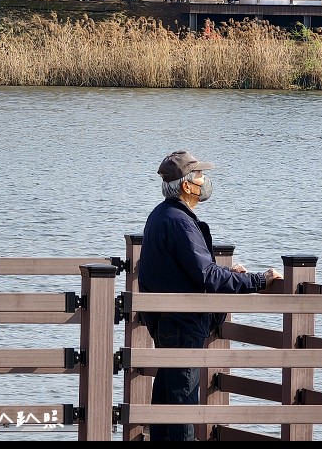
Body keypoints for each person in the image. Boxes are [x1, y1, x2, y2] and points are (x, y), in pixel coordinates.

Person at [137, 151, 283, 442]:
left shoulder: (161, 215)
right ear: (187, 185)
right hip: (182, 323)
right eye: (200, 175)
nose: (205, 180)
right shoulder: (179, 222)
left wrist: (230, 273)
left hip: (167, 321)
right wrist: (257, 280)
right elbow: (206, 275)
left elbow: (189, 269)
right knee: (182, 405)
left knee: (167, 399)